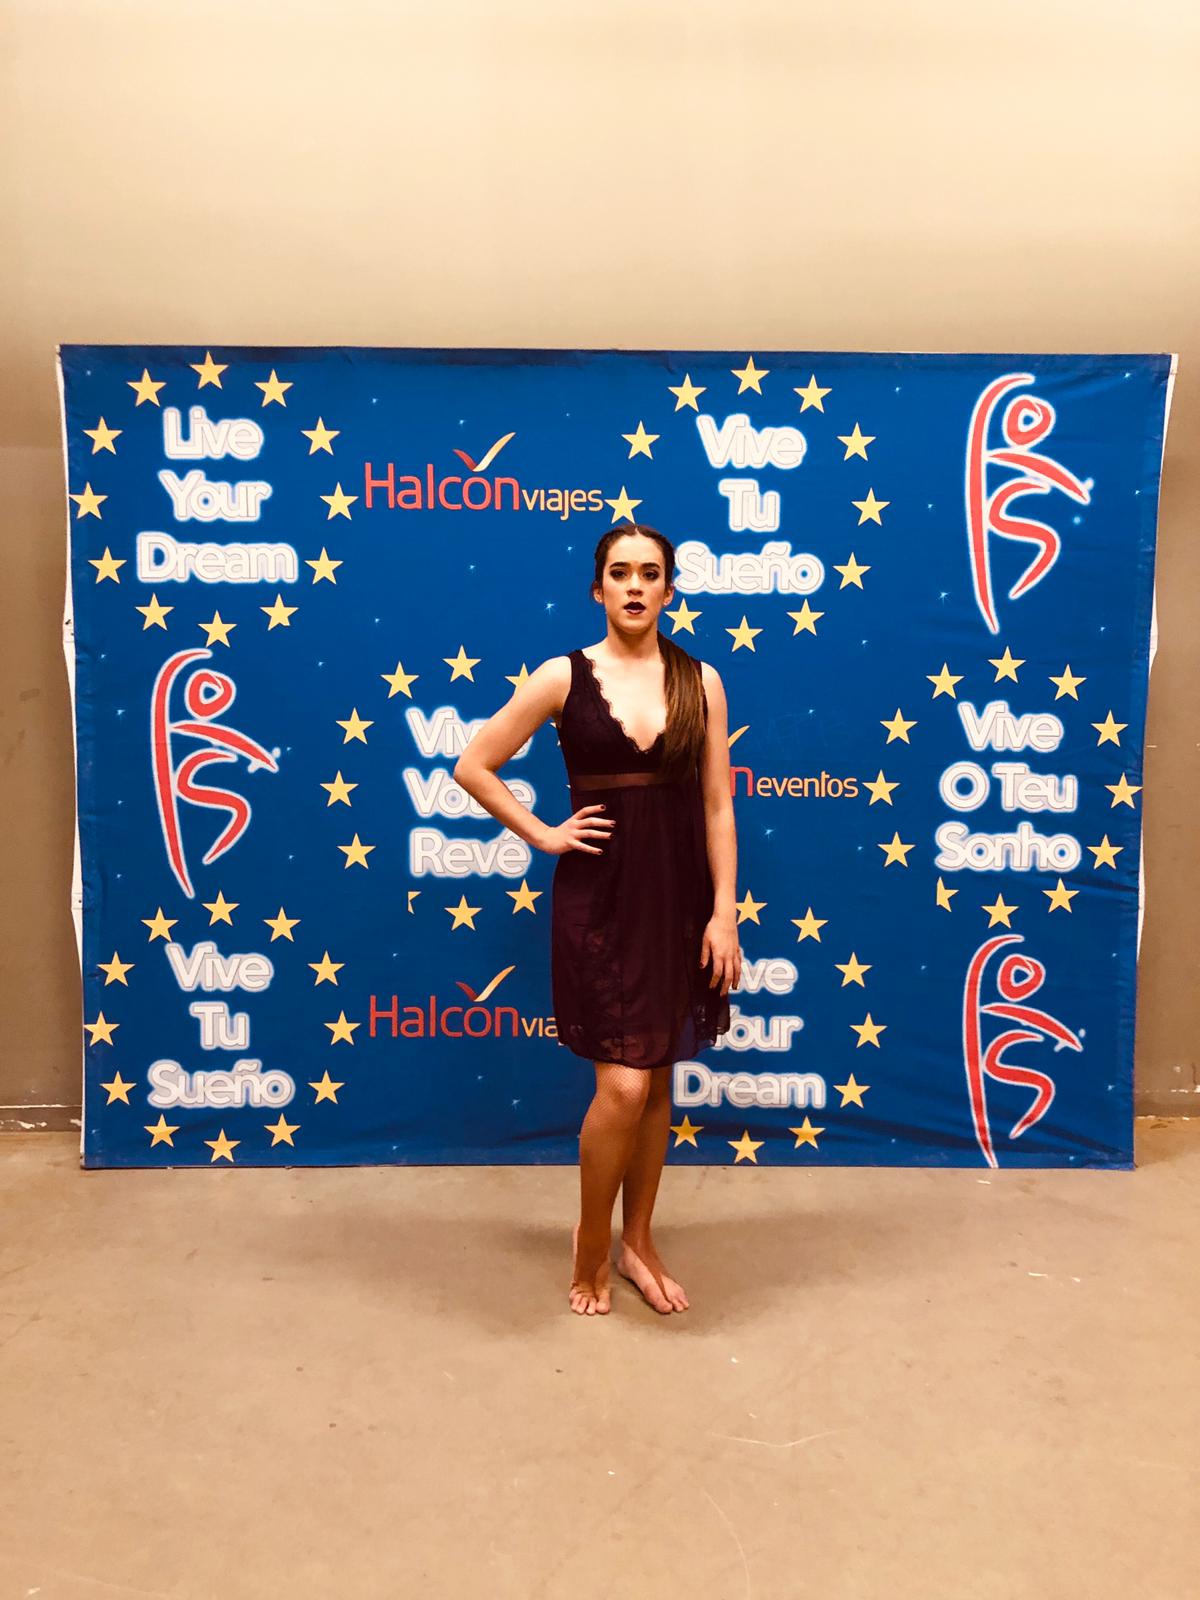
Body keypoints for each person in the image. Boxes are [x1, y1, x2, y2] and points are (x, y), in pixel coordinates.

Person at [453, 524, 740, 1317]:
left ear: (670, 590)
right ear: (598, 588)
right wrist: (544, 834)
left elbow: (717, 805)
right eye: (620, 572)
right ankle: (590, 1245)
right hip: (601, 902)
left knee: (656, 1080)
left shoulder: (702, 681)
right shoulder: (561, 676)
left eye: (650, 573)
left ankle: (638, 1242)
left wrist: (723, 914)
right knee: (622, 1084)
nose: (635, 585)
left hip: (678, 900)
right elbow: (474, 764)